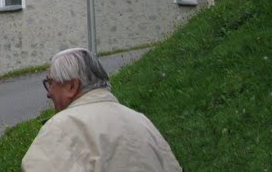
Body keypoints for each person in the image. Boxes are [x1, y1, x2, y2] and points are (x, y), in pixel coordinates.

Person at [22, 47, 182, 172]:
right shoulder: (142, 122)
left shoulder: (62, 127)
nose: (49, 93)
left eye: (51, 83)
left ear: (72, 86)